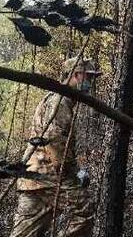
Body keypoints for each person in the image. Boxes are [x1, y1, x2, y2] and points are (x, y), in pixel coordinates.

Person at [10, 57, 101, 237]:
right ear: (75, 74)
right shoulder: (60, 101)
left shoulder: (58, 99)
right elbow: (56, 143)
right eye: (88, 77)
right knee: (85, 210)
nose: (91, 82)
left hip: (34, 178)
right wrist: (74, 171)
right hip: (47, 175)